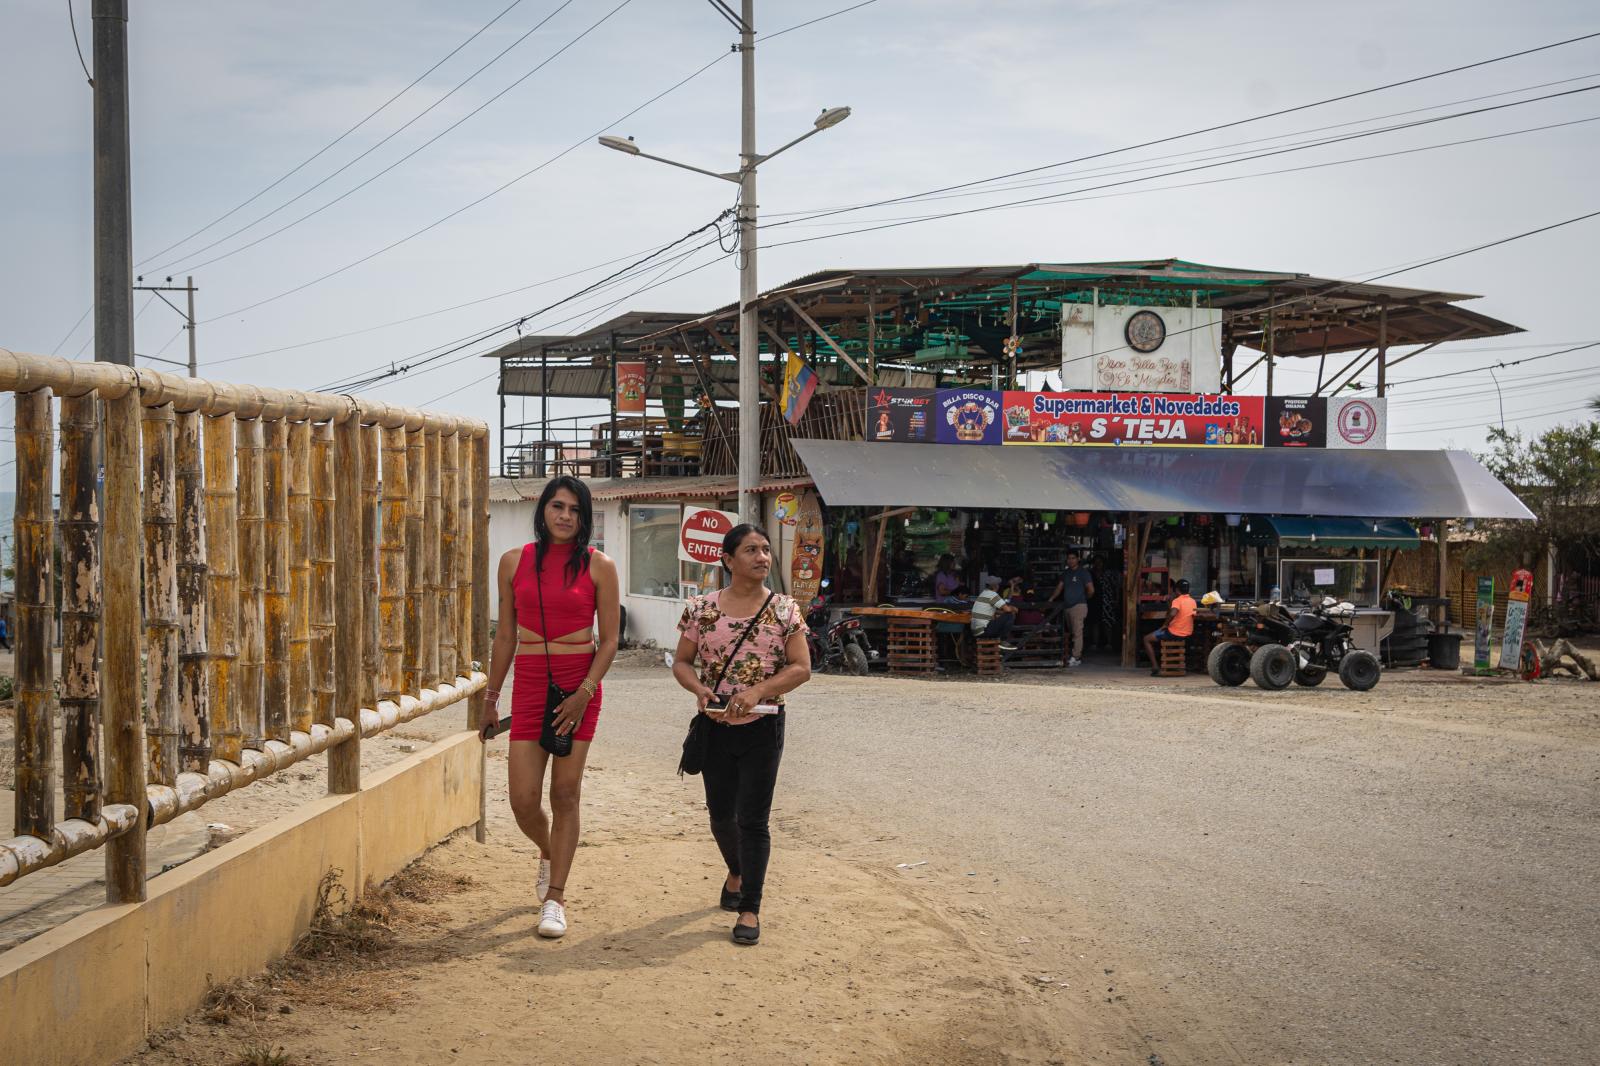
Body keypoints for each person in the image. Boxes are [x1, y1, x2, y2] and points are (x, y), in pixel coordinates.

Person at [482, 476, 620, 940]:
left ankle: (555, 897)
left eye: (575, 510)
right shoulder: (512, 562)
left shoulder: (600, 566)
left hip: (578, 684)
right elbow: (504, 635)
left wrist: (585, 691)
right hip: (531, 683)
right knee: (522, 800)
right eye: (557, 506)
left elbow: (612, 639)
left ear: (584, 518)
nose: (565, 516)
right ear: (543, 511)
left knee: (565, 794)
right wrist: (490, 696)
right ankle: (547, 849)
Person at [673, 524, 812, 945]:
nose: (762, 557)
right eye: (751, 550)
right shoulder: (701, 609)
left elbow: (801, 668)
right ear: (728, 560)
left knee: (753, 820)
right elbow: (682, 662)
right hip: (715, 728)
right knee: (720, 817)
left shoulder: (785, 609)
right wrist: (699, 689)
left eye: (766, 550)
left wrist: (757, 692)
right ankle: (736, 871)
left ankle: (750, 907)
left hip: (764, 727)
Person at [1142, 578, 1198, 676]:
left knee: (1146, 639)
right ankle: (1171, 663)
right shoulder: (1193, 601)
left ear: (1176, 590)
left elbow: (1172, 613)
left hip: (1174, 633)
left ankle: (1155, 666)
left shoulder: (1177, 600)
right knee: (1165, 635)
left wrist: (1165, 624)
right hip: (1188, 632)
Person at [1049, 550, 1095, 667]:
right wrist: (1051, 599)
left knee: (1077, 632)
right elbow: (1059, 588)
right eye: (1069, 558)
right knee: (1071, 632)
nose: (1070, 560)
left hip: (1079, 605)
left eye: (1073, 558)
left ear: (1078, 559)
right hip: (1067, 606)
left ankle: (1076, 657)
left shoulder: (1083, 573)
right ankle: (1073, 654)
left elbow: (1091, 590)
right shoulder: (1066, 573)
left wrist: (1083, 599)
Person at [970, 575, 1019, 651]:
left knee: (1004, 615)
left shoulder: (983, 593)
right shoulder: (992, 595)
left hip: (976, 630)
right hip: (983, 630)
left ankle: (999, 640)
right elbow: (1007, 610)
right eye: (998, 584)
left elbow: (993, 610)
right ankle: (1003, 641)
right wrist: (1013, 608)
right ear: (995, 586)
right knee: (1010, 615)